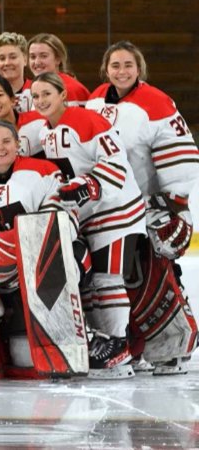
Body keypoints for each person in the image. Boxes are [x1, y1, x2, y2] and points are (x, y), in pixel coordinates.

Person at [87, 41, 199, 374]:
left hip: (147, 207)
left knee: (153, 278)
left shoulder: (157, 102)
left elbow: (179, 155)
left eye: (128, 65)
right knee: (119, 281)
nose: (121, 71)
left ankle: (173, 348)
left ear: (140, 68)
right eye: (115, 65)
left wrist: (172, 204)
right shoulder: (94, 100)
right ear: (106, 68)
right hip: (110, 208)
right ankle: (132, 345)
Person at [31, 73, 148, 378]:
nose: (42, 101)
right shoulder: (45, 132)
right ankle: (106, 347)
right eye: (37, 96)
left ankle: (120, 348)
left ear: (62, 95)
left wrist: (91, 185)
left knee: (109, 280)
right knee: (94, 284)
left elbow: (115, 161)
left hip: (116, 207)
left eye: (47, 94)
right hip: (90, 214)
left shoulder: (85, 120)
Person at [0, 121, 73, 378]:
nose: (0, 148)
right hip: (1, 282)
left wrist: (9, 242)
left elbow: (61, 219)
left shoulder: (44, 171)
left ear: (18, 144)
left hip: (44, 271)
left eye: (7, 141)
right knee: (22, 358)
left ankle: (67, 330)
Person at [28, 33, 90, 103]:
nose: (37, 62)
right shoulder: (29, 89)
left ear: (58, 59)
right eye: (32, 57)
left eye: (43, 56)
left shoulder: (71, 89)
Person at [0, 32, 32, 114]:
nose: (7, 63)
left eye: (13, 57)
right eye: (2, 58)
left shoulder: (37, 91)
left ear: (25, 60)